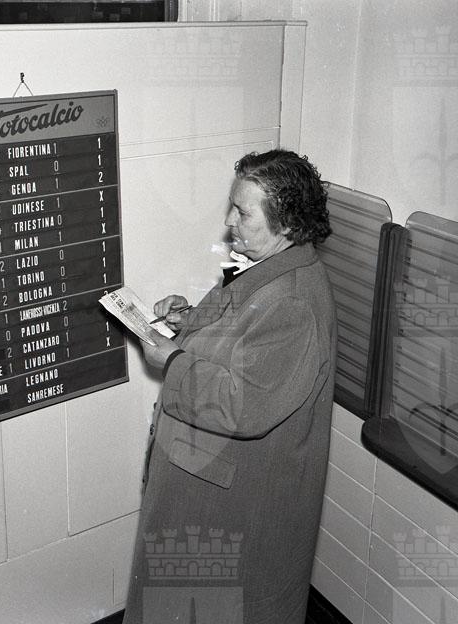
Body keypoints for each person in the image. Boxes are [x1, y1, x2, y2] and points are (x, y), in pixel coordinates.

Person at [122, 149, 336, 624]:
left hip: (232, 504)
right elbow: (242, 337)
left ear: (287, 223)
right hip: (209, 483)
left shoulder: (294, 304)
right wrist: (189, 322)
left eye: (243, 212)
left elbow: (243, 405)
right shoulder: (267, 267)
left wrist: (172, 360)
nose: (229, 221)